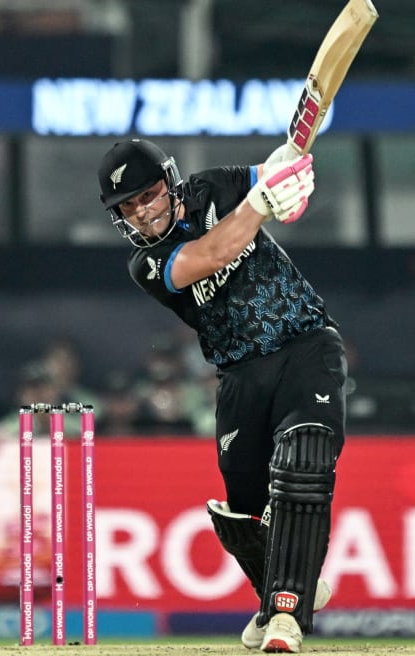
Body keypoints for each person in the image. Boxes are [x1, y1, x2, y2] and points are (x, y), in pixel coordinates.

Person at [96, 138, 344, 653]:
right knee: (242, 514)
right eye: (129, 206)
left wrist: (292, 184)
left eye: (150, 195)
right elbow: (211, 254)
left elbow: (279, 174)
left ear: (171, 180)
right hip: (239, 374)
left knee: (305, 458)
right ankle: (279, 589)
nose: (143, 211)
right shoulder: (145, 265)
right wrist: (261, 205)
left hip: (304, 345)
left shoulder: (216, 185)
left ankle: (286, 616)